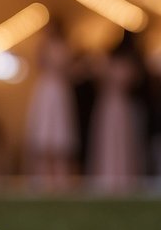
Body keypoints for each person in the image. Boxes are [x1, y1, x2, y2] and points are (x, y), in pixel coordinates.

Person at [88, 31, 146, 192]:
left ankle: (117, 176)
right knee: (115, 140)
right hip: (116, 106)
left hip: (114, 106)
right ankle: (115, 176)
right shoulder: (126, 63)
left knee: (119, 141)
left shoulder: (109, 62)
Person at [24, 19, 77, 189]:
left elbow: (67, 69)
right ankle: (43, 178)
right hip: (47, 91)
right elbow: (38, 64)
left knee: (58, 137)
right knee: (44, 135)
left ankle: (59, 179)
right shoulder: (44, 46)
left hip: (58, 92)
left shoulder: (65, 47)